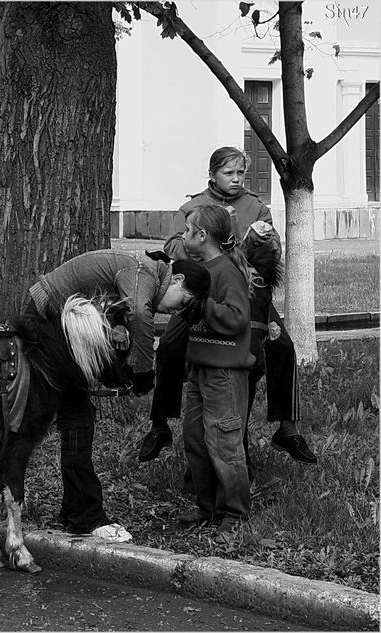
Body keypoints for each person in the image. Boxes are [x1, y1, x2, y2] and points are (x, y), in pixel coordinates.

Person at [138, 146, 317, 466]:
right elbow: (172, 246)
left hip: (247, 296)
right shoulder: (193, 207)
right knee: (168, 345)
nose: (236, 180)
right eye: (228, 173)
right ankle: (160, 424)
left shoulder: (256, 207)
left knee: (283, 347)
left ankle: (286, 427)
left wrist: (260, 241)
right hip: (200, 295)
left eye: (240, 173)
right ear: (212, 174)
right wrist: (203, 247)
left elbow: (271, 248)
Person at [25, 249, 211, 542]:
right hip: (46, 317)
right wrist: (142, 370)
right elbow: (140, 313)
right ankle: (86, 516)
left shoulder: (140, 271)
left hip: (54, 317)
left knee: (78, 416)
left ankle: (76, 510)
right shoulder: (142, 272)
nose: (175, 311)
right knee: (78, 418)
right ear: (176, 279)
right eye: (183, 302)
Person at [176, 205, 253, 531]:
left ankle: (234, 513)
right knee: (195, 437)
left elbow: (237, 318)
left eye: (187, 229)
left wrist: (204, 305)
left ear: (202, 235)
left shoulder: (225, 272)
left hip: (223, 372)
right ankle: (206, 508)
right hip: (199, 368)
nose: (183, 234)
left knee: (224, 442)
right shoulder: (202, 269)